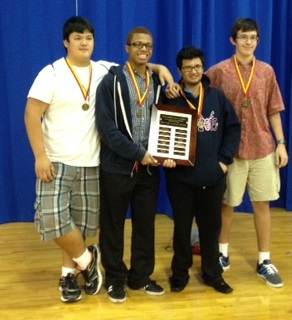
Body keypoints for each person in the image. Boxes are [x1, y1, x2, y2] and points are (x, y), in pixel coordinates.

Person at [24, 17, 175, 303]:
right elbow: (32, 114)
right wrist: (40, 156)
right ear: (66, 42)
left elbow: (138, 63)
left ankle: (69, 276)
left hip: (92, 162)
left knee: (80, 227)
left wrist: (161, 68)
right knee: (52, 220)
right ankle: (88, 260)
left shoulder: (105, 69)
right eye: (77, 37)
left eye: (88, 38)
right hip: (57, 160)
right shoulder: (51, 73)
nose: (84, 42)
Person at [95, 26, 176, 303]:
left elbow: (165, 121)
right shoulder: (111, 82)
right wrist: (137, 153)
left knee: (145, 225)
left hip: (149, 169)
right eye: (138, 45)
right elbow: (107, 128)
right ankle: (115, 278)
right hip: (117, 167)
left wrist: (166, 150)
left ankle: (140, 276)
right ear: (127, 47)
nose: (143, 49)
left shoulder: (156, 81)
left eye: (148, 46)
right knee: (113, 225)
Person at [205, 18, 289, 288]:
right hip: (230, 150)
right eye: (243, 37)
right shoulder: (217, 71)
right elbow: (200, 98)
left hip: (263, 147)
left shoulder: (266, 71)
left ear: (258, 41)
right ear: (233, 40)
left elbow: (273, 108)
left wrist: (281, 142)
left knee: (262, 205)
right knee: (226, 204)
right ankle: (222, 254)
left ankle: (264, 260)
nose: (248, 42)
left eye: (253, 37)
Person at [164, 46, 241, 294]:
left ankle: (212, 273)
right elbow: (160, 132)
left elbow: (232, 128)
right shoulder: (171, 97)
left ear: (203, 68)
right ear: (180, 70)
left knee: (211, 228)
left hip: (212, 176)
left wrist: (223, 160)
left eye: (197, 66)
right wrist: (165, 156)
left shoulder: (217, 97)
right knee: (182, 228)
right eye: (188, 67)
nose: (193, 71)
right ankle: (180, 273)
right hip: (181, 178)